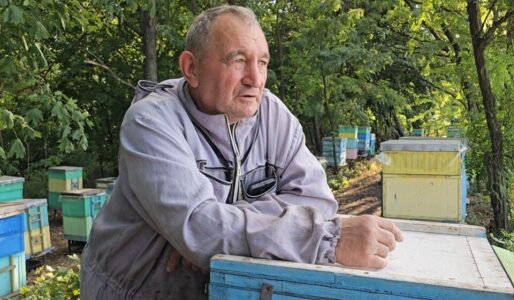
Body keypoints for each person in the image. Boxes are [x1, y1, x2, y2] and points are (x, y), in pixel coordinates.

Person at [80, 5, 403, 299]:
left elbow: (317, 201)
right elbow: (197, 225)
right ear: (191, 68)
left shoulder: (273, 114)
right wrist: (328, 240)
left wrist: (222, 238)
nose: (255, 78)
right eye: (237, 60)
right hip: (131, 290)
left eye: (261, 62)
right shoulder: (152, 121)